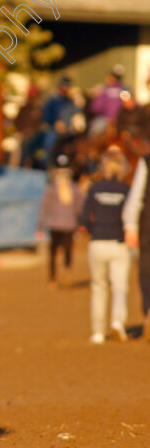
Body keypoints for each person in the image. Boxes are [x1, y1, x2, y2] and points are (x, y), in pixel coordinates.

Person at [80, 148, 131, 344]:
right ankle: (118, 321)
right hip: (119, 243)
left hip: (98, 242)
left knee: (99, 287)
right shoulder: (126, 190)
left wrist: (95, 230)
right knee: (120, 287)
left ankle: (98, 332)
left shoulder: (95, 189)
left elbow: (85, 217)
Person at [37, 154, 84, 288]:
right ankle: (59, 275)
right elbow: (45, 208)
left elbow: (79, 208)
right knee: (60, 251)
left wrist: (40, 227)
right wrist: (40, 227)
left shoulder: (69, 188)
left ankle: (59, 276)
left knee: (59, 252)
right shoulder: (62, 188)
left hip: (62, 225)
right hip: (62, 225)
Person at [123, 146, 150, 340]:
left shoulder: (146, 161)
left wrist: (130, 224)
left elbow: (136, 196)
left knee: (146, 272)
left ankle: (149, 312)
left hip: (148, 227)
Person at [41, 76, 81, 164]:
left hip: (68, 130)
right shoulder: (53, 99)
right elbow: (46, 114)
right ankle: (47, 162)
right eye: (64, 86)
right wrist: (55, 123)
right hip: (54, 128)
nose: (65, 88)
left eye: (67, 86)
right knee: (50, 141)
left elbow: (77, 113)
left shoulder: (70, 100)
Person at [89, 64, 127, 139]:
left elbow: (96, 108)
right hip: (122, 120)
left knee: (93, 134)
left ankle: (92, 150)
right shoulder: (125, 89)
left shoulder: (104, 90)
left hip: (106, 119)